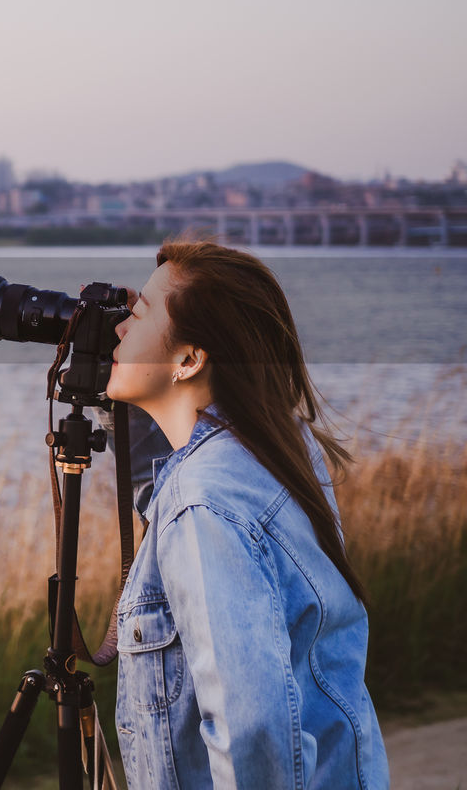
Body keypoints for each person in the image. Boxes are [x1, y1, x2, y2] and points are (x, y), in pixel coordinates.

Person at [104, 241, 388, 789]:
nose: (118, 331)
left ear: (188, 359)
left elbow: (254, 728)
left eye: (135, 316)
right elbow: (162, 481)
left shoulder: (203, 502)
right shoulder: (278, 450)